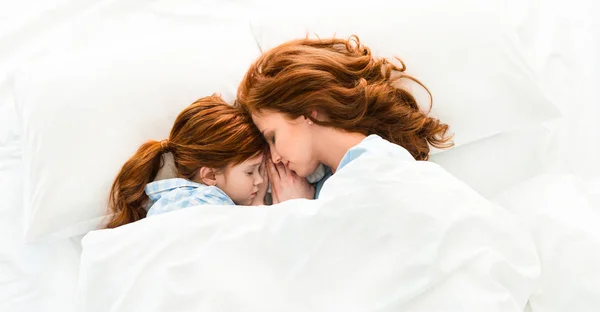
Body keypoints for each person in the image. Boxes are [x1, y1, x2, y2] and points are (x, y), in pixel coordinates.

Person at [236, 35, 453, 203]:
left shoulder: (376, 164)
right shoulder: (329, 182)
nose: (274, 158)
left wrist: (297, 213)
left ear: (309, 109)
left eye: (272, 137)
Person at [105, 95, 268, 229]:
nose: (259, 180)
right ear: (210, 175)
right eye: (250, 172)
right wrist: (258, 208)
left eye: (260, 170)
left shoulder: (175, 202)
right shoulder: (208, 202)